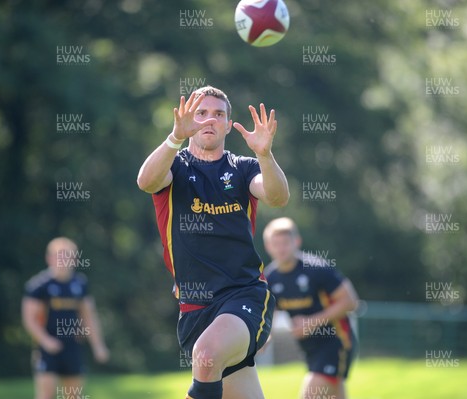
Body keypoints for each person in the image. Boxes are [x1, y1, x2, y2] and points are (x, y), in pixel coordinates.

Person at [137, 86, 290, 399]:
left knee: (206, 356)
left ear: (228, 124)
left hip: (244, 293)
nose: (210, 119)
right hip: (194, 306)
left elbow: (278, 196)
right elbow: (146, 181)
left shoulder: (243, 168)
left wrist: (265, 154)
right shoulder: (175, 167)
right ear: (188, 120)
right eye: (202, 113)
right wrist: (173, 138)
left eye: (218, 114)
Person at [262, 217, 358, 399]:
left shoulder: (316, 268)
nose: (281, 248)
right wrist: (264, 339)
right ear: (268, 246)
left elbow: (351, 301)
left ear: (296, 241)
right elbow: (269, 316)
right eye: (276, 244)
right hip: (310, 349)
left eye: (285, 243)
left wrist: (311, 322)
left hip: (336, 341)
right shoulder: (270, 277)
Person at [22, 237, 109, 399]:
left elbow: (89, 316)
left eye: (69, 256)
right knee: (46, 395)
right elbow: (29, 320)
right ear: (49, 258)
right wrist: (46, 341)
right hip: (47, 349)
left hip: (72, 347)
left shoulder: (80, 283)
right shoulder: (39, 285)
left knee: (74, 396)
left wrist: (98, 346)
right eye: (60, 255)